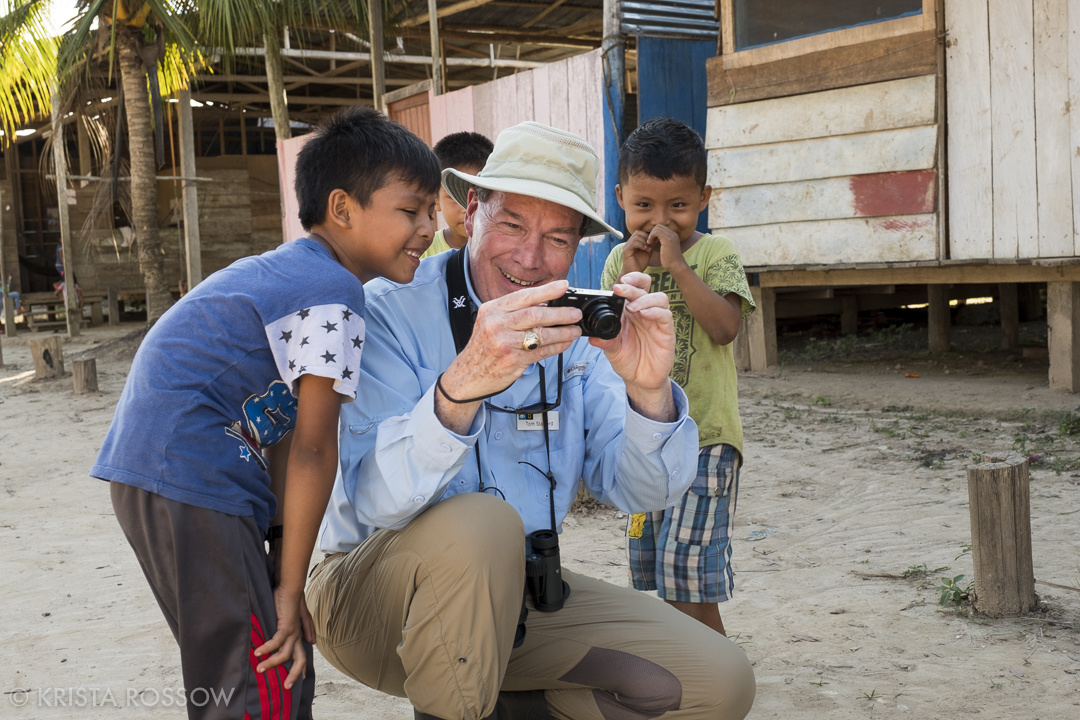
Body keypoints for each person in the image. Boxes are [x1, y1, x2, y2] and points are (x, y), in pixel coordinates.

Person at [309, 121, 756, 720]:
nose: (529, 258)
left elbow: (641, 491)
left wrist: (648, 390)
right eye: (512, 224)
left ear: (579, 248)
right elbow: (372, 500)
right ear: (472, 211)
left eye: (557, 238)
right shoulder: (389, 314)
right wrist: (462, 384)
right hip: (369, 601)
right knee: (479, 525)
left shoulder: (574, 330)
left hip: (518, 602)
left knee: (718, 682)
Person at [90, 106, 439, 720]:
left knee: (262, 661)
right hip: (193, 470)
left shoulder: (293, 272)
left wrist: (282, 562)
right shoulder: (334, 291)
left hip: (169, 469)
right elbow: (312, 448)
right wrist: (287, 586)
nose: (430, 227)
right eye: (411, 210)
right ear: (342, 209)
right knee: (260, 674)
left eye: (434, 211)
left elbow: (279, 438)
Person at [601, 118, 756, 637]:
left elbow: (726, 327)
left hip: (707, 439)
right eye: (644, 206)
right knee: (661, 569)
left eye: (678, 206)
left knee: (691, 574)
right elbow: (606, 348)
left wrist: (680, 268)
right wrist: (628, 277)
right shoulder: (614, 264)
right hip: (643, 442)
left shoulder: (716, 254)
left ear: (704, 198)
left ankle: (715, 672)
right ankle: (685, 670)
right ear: (621, 197)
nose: (661, 220)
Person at [422, 131, 495, 259]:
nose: (466, 208)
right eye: (453, 196)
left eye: (478, 194)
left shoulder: (505, 250)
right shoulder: (422, 252)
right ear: (436, 201)